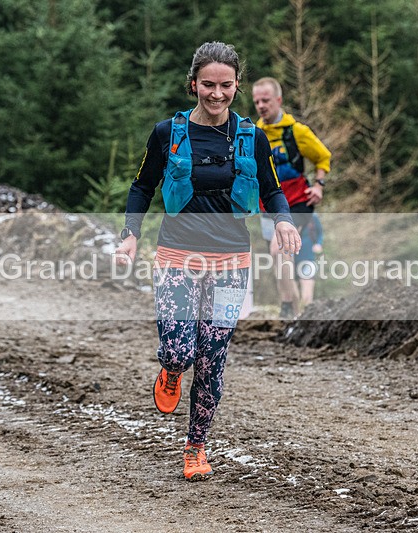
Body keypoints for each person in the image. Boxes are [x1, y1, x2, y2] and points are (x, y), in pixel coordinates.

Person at [113, 42, 301, 481]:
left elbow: (272, 190)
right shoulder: (167, 133)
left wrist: (285, 222)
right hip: (177, 255)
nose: (217, 94)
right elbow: (142, 187)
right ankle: (172, 369)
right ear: (193, 83)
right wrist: (129, 236)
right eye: (208, 85)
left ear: (237, 86)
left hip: (231, 261)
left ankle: (195, 448)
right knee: (180, 350)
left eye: (226, 85)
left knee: (213, 358)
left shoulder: (252, 136)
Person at [252, 77, 331, 319]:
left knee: (279, 249)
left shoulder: (297, 131)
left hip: (297, 201)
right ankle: (287, 306)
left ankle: (297, 308)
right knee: (278, 259)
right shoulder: (254, 133)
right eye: (256, 102)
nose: (261, 106)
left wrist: (318, 185)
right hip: (268, 206)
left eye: (266, 100)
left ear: (278, 100)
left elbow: (323, 157)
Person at [295, 212, 324, 308]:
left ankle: (307, 312)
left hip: (309, 257)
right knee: (293, 286)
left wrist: (318, 244)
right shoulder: (288, 216)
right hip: (292, 258)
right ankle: (296, 312)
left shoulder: (312, 217)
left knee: (307, 284)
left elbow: (320, 233)